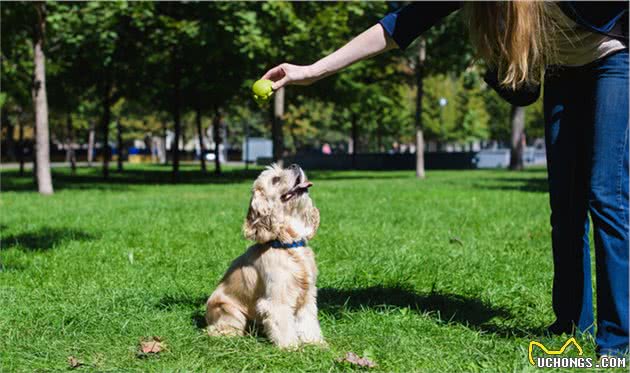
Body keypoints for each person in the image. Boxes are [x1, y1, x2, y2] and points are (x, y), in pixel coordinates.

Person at [261, 1, 629, 356]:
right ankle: (570, 326)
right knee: (565, 206)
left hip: (615, 57)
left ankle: (617, 341)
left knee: (605, 194)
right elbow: (399, 25)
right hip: (562, 70)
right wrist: (311, 70)